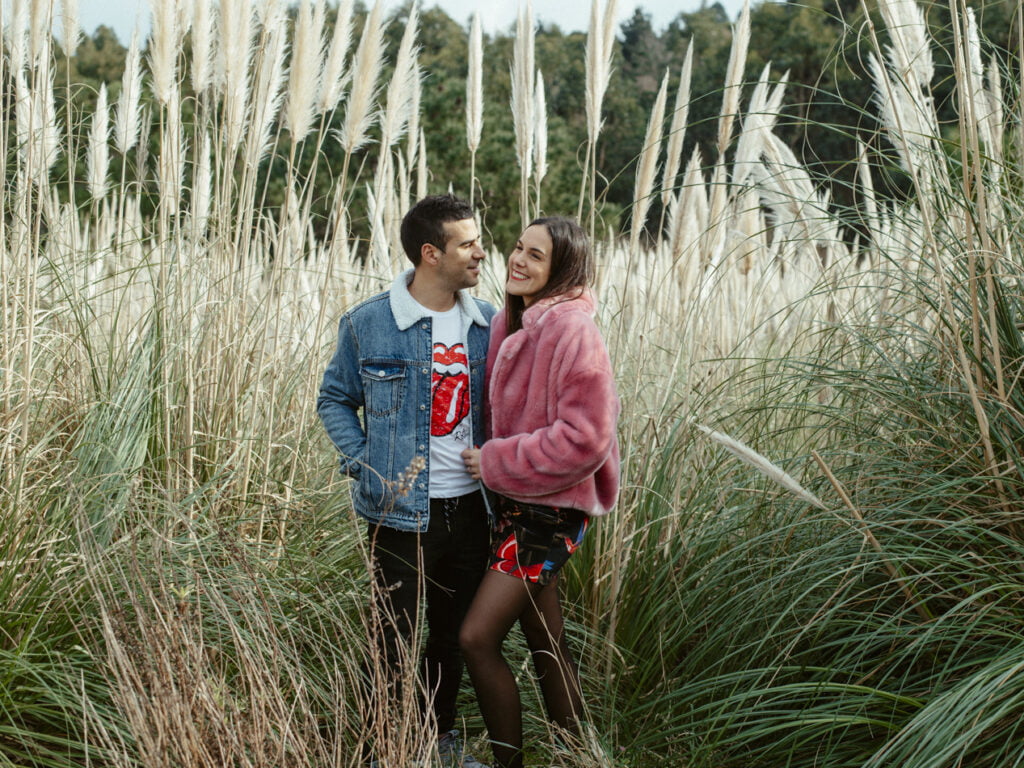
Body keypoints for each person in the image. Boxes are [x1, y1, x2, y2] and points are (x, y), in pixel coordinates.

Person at [317, 194, 494, 768]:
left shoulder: (490, 324)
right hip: (397, 514)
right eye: (467, 243)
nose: (480, 252)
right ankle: (382, 748)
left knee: (451, 638)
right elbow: (335, 399)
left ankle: (437, 741)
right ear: (430, 253)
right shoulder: (370, 323)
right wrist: (366, 464)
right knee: (390, 640)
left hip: (471, 510)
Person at [459, 216, 620, 768]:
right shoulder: (516, 319)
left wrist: (496, 461)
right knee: (545, 641)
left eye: (537, 256)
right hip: (518, 507)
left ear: (562, 270)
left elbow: (588, 438)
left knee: (477, 639)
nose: (518, 260)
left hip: (548, 516)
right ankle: (582, 757)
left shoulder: (572, 330)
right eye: (519, 248)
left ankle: (508, 765)